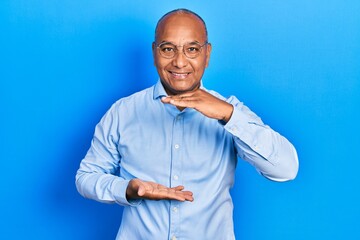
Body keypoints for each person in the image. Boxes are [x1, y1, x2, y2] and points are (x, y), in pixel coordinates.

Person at [75, 8, 299, 240]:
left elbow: (286, 169)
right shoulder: (123, 112)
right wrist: (127, 189)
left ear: (207, 54)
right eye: (168, 49)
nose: (180, 62)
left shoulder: (231, 112)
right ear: (154, 53)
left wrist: (229, 115)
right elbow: (86, 177)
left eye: (191, 49)